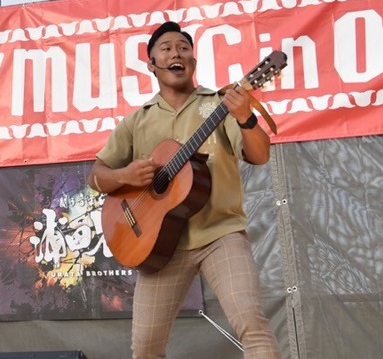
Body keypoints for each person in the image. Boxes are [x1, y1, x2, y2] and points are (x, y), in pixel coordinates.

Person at [89, 21, 280, 358]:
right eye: (166, 49)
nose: (176, 53)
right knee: (145, 348)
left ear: (193, 61)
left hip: (220, 234)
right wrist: (125, 175)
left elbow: (260, 155)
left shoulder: (219, 104)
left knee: (251, 323)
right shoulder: (137, 121)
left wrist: (246, 117)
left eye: (183, 48)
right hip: (160, 247)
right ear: (152, 64)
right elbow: (96, 177)